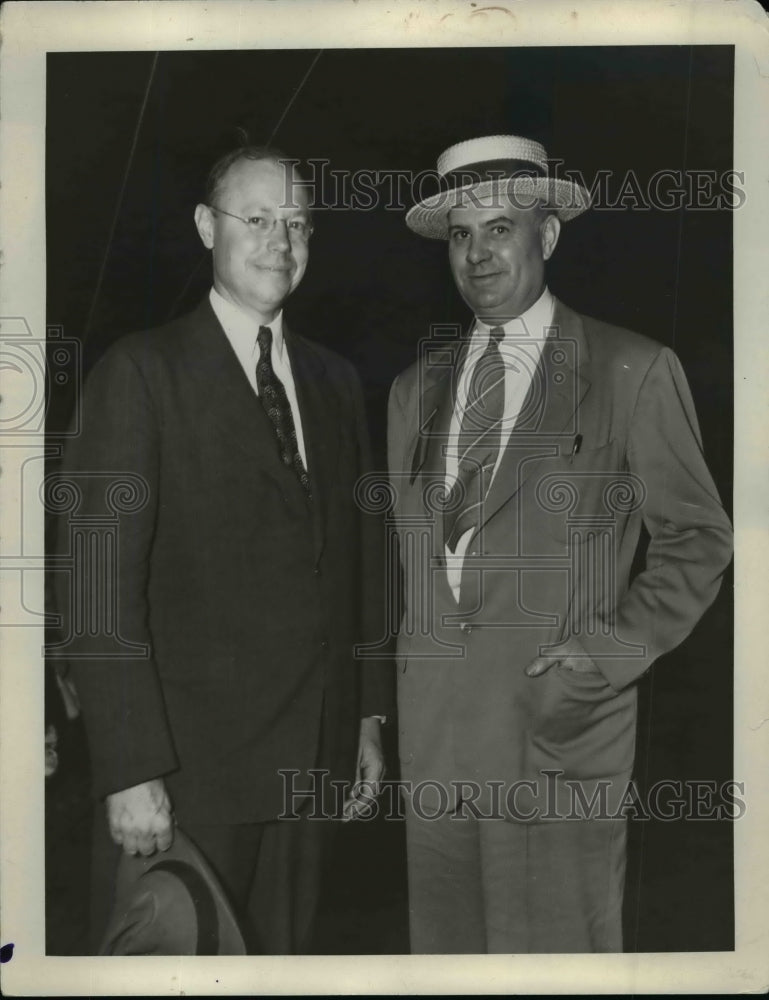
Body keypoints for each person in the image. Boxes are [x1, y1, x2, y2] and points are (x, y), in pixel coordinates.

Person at [387, 134, 733, 953]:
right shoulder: (413, 389)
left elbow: (697, 540)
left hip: (556, 743)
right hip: (435, 750)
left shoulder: (630, 368)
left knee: (557, 968)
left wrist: (601, 656)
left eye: (500, 228)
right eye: (460, 236)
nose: (477, 254)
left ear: (547, 235)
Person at [53, 146, 391, 954]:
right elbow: (99, 589)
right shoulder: (141, 372)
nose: (281, 240)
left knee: (281, 965)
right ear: (207, 227)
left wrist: (368, 717)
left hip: (311, 764)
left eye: (297, 222)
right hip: (187, 778)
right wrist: (130, 768)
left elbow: (361, 563)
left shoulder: (336, 380)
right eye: (258, 219)